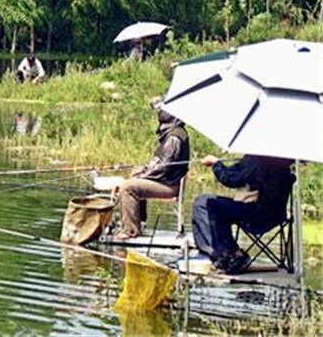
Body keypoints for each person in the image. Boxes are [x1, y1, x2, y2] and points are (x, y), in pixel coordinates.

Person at [192, 155, 295, 275]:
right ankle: (225, 253)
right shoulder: (282, 160)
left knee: (204, 203)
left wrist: (216, 163)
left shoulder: (256, 158)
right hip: (275, 216)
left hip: (255, 214)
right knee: (213, 204)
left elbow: (230, 178)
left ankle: (229, 254)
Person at [112, 99, 190, 240]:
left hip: (170, 186)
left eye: (161, 110)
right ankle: (139, 224)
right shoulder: (173, 133)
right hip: (167, 182)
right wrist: (142, 170)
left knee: (128, 187)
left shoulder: (174, 137)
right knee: (134, 178)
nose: (158, 113)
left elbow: (164, 167)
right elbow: (161, 164)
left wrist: (143, 175)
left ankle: (130, 230)